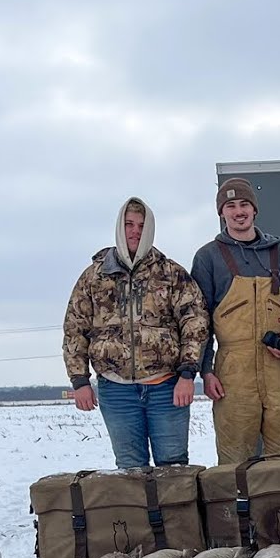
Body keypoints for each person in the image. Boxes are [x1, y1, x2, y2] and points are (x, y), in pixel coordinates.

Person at [62, 197, 208, 468]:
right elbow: (75, 328)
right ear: (119, 227)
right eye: (129, 224)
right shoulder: (94, 277)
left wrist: (188, 373)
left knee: (174, 469)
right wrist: (79, 380)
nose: (135, 231)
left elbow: (195, 322)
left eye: (142, 225)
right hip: (116, 392)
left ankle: (176, 513)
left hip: (166, 388)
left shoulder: (171, 273)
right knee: (130, 470)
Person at [191, 178, 280, 464]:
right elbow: (199, 322)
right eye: (230, 206)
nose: (238, 211)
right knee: (234, 462)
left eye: (244, 204)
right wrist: (205, 371)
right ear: (222, 213)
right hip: (233, 373)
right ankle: (235, 510)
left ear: (255, 210)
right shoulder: (208, 257)